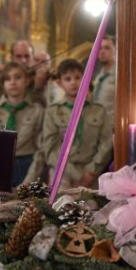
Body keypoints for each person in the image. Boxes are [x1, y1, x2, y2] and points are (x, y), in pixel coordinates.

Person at [24, 59, 112, 189]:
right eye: (67, 79)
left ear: (86, 78)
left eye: (77, 77)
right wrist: (71, 172)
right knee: (59, 207)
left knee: (91, 207)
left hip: (90, 173)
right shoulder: (53, 111)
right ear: (60, 83)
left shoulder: (98, 110)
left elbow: (106, 144)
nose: (73, 83)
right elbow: (50, 147)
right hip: (61, 173)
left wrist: (91, 172)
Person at [0, 62, 43, 186]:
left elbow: (41, 149)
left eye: (18, 77)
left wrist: (29, 181)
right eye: (7, 79)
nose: (12, 82)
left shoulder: (37, 111)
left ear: (27, 81)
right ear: (3, 84)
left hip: (26, 165)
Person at [0, 40, 49, 106]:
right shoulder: (2, 76)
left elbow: (41, 108)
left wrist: (39, 88)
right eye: (18, 56)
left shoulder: (38, 78)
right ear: (12, 58)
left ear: (32, 57)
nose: (23, 60)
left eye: (27, 56)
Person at [92, 36, 116, 126]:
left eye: (107, 48)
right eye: (99, 48)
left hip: (114, 128)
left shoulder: (120, 75)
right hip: (98, 127)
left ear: (115, 50)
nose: (102, 51)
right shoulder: (99, 76)